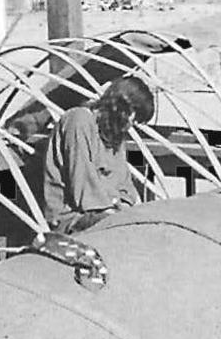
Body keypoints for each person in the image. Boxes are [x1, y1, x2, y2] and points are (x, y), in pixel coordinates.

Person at [43, 76, 154, 234]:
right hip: (72, 217)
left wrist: (126, 205)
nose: (132, 125)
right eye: (134, 116)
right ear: (122, 106)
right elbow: (83, 190)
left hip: (107, 211)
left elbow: (125, 184)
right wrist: (117, 208)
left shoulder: (114, 134)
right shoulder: (79, 120)